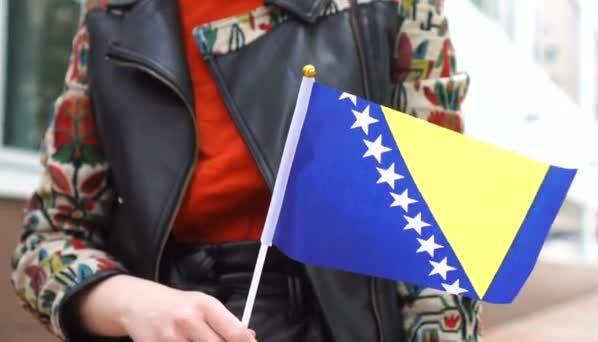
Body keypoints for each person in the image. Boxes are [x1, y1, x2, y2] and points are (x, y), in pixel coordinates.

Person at [10, 0, 481, 341]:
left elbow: (437, 239)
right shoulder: (110, 16)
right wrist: (130, 303)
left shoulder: (391, 7)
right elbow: (46, 242)